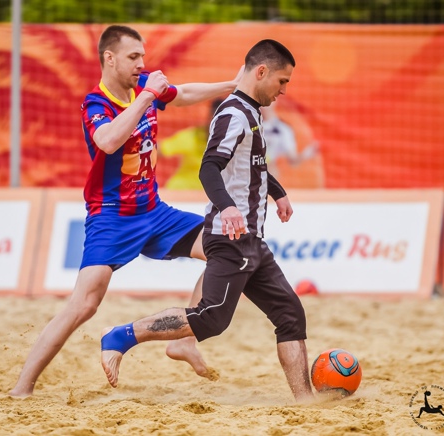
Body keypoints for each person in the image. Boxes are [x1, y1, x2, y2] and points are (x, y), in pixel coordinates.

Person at [9, 25, 242, 397]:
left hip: (154, 212)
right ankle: (22, 387)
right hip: (112, 218)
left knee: (226, 247)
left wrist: (230, 84)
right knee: (84, 305)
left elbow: (183, 94)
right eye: (134, 57)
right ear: (110, 58)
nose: (141, 64)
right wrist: (147, 97)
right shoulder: (96, 103)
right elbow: (108, 140)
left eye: (143, 57)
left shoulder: (142, 86)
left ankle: (184, 339)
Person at [100, 39, 314, 403]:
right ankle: (120, 336)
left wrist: (277, 193)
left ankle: (305, 399)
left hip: (252, 240)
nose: (283, 90)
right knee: (210, 318)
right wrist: (227, 207)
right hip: (230, 238)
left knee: (290, 315)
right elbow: (209, 168)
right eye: (282, 81)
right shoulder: (233, 114)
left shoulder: (252, 112)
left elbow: (253, 166)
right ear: (261, 72)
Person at [160, 99, 222, 190]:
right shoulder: (191, 136)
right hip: (182, 191)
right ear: (209, 117)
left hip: (214, 193)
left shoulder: (236, 142)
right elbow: (159, 150)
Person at [261, 104, 320, 180]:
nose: (263, 105)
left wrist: (305, 154)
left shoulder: (283, 129)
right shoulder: (251, 125)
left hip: (268, 175)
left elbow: (293, 160)